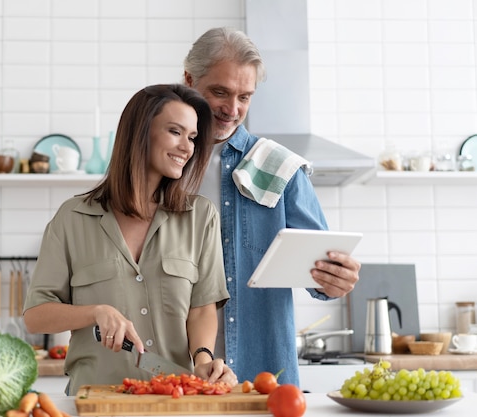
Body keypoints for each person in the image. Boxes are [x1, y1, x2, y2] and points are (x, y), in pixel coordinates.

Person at [23, 84, 237, 395]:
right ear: (140, 133)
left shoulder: (201, 217)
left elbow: (202, 308)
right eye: (175, 132)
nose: (186, 147)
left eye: (191, 137)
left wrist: (203, 357)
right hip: (95, 403)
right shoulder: (72, 218)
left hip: (171, 402)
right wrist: (96, 312)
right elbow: (36, 316)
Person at [182, 27, 361, 386]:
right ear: (189, 80)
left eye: (244, 97)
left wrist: (337, 280)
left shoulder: (280, 168)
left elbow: (321, 273)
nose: (233, 110)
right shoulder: (164, 164)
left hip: (259, 371)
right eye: (220, 92)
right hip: (173, 370)